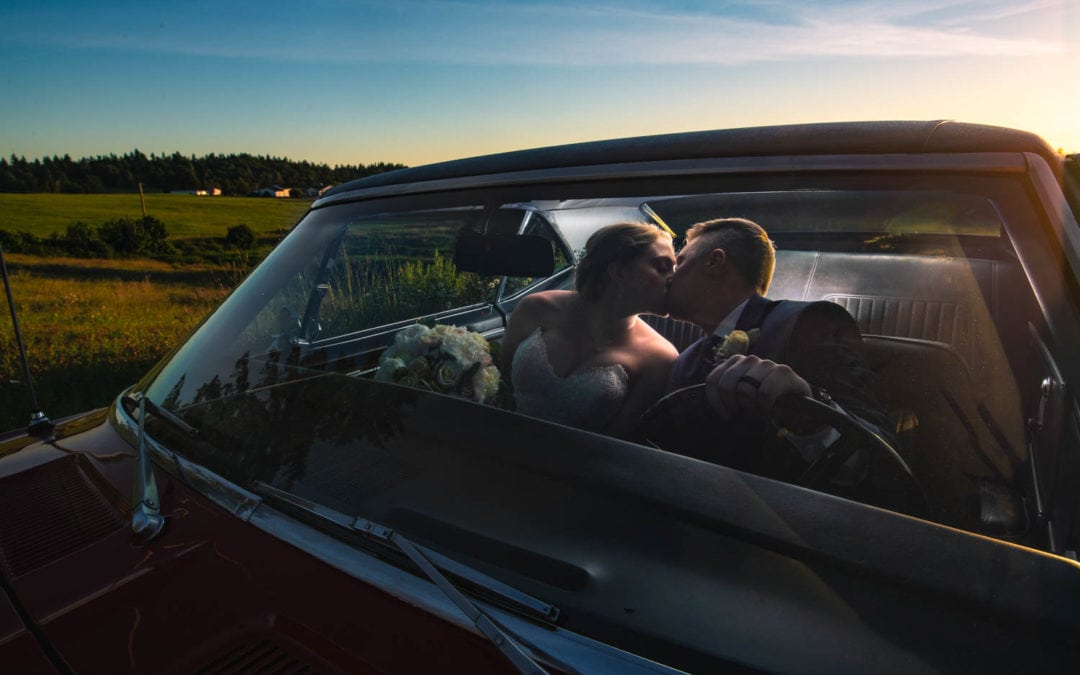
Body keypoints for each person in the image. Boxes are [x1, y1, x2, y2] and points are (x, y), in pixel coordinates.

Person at [662, 217, 900, 501]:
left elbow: (881, 459)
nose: (670, 276)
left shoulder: (806, 323)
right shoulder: (685, 359)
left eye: (680, 262)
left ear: (715, 262)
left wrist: (810, 416)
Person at [502, 222, 678, 438]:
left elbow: (619, 443)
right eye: (662, 267)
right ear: (618, 271)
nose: (674, 279)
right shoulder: (536, 308)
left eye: (675, 269)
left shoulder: (660, 358)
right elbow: (498, 387)